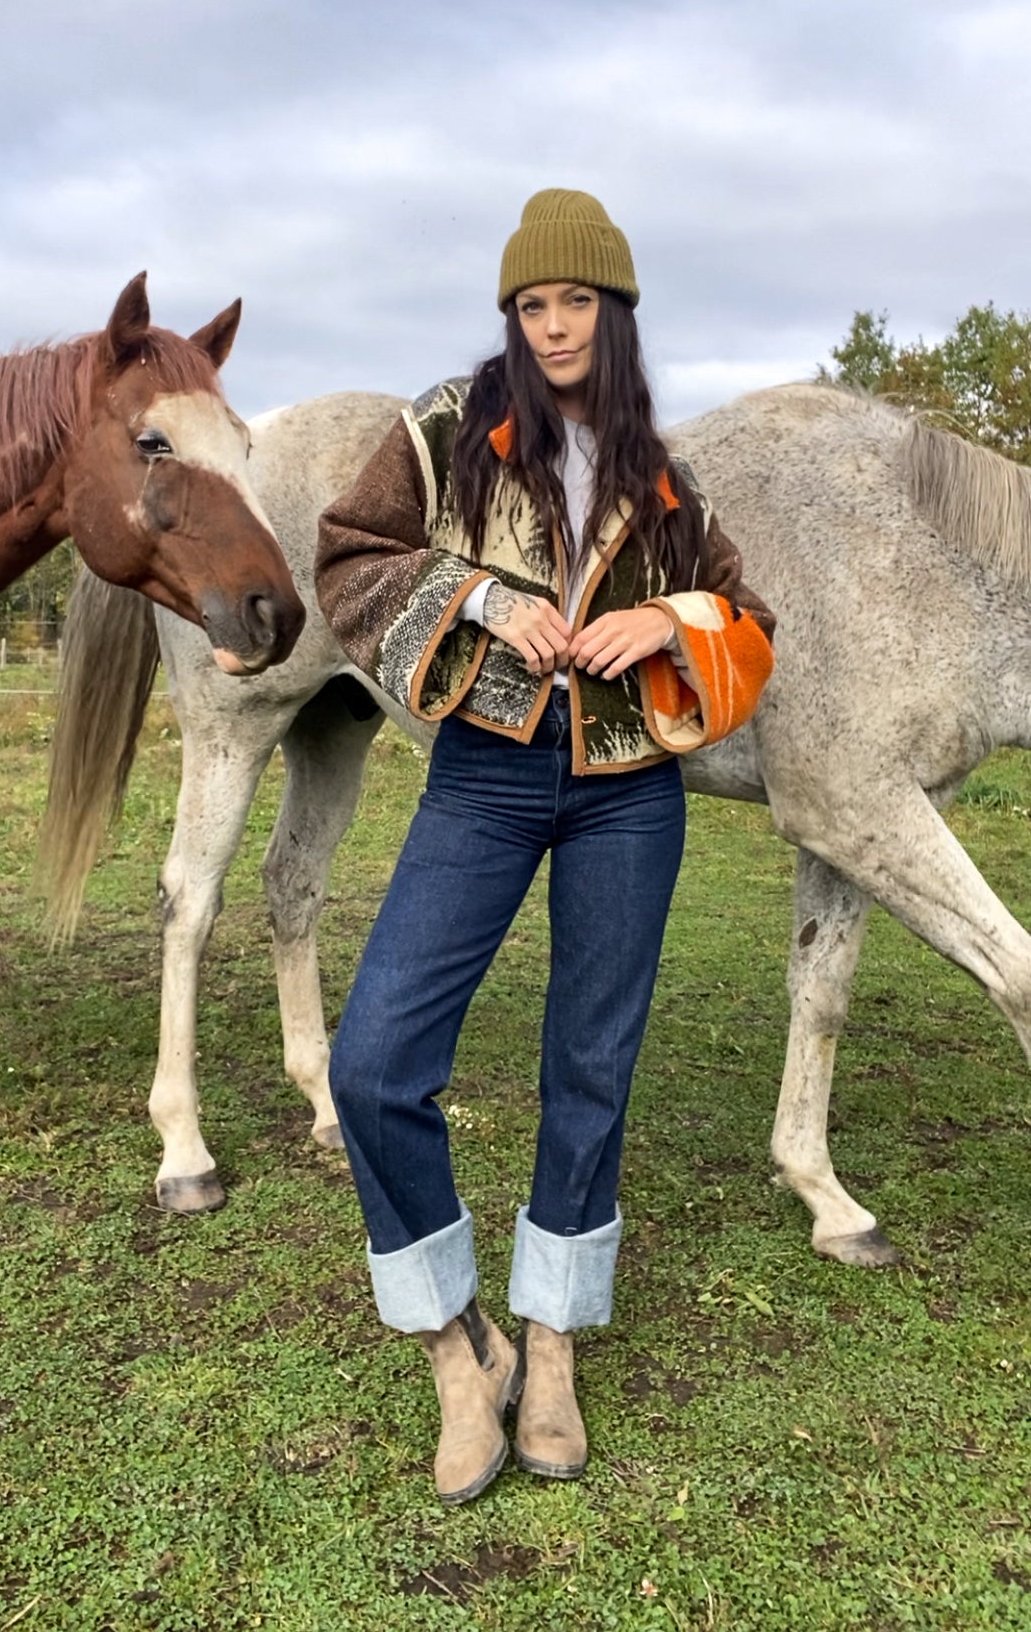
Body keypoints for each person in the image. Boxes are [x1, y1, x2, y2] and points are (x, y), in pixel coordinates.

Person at [314, 189, 775, 1504]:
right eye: (533, 302)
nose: (554, 322)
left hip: (630, 792)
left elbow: (746, 618)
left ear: (611, 313)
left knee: (591, 1063)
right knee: (375, 1057)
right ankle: (462, 1345)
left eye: (576, 300)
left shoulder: (660, 470)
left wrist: (669, 619)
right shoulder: (447, 432)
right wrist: (474, 604)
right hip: (485, 775)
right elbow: (349, 556)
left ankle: (554, 1341)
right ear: (511, 316)